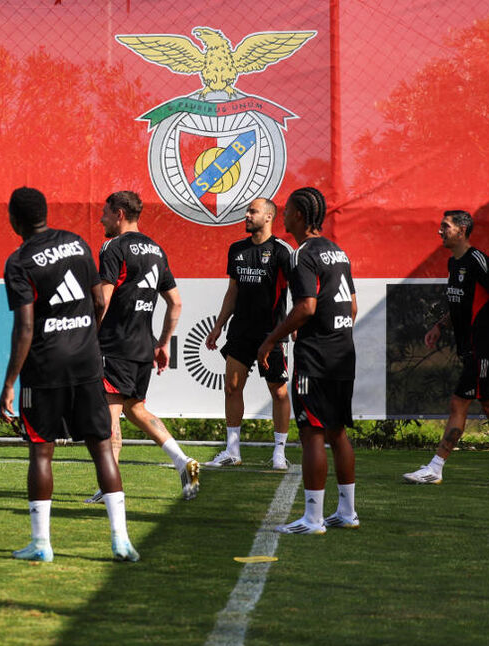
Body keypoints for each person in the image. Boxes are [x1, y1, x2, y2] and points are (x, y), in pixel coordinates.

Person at [0, 186, 139, 563]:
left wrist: (10, 382)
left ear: (15, 220)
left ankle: (42, 544)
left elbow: (25, 328)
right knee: (101, 447)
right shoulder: (77, 243)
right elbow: (98, 300)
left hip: (44, 369)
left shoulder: (19, 261)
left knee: (41, 452)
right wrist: (84, 340)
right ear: (45, 212)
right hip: (87, 363)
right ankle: (121, 540)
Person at [403, 210, 489, 485]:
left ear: (462, 230)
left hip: (483, 347)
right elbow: (460, 306)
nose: (440, 231)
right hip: (471, 348)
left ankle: (435, 467)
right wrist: (440, 325)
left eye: (445, 226)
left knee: (459, 402)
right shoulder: (455, 264)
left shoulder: (478, 261)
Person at [87, 190, 199, 503]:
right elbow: (175, 302)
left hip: (114, 344)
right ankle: (182, 460)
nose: (101, 219)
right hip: (141, 345)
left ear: (119, 214)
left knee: (109, 416)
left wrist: (87, 337)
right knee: (135, 409)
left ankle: (109, 487)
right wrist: (162, 343)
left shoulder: (113, 246)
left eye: (106, 213)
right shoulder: (156, 249)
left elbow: (103, 299)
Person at [258, 187, 358, 534]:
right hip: (343, 351)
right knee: (337, 431)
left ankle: (313, 518)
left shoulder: (302, 255)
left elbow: (307, 307)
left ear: (299, 215)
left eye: (286, 210)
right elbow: (352, 308)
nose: (282, 215)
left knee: (312, 431)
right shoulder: (338, 251)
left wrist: (272, 338)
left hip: (316, 357)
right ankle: (347, 513)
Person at [204, 197, 295, 469]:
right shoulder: (237, 249)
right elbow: (233, 292)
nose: (246, 215)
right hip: (240, 331)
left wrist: (295, 326)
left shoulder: (282, 251)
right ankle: (233, 451)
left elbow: (300, 291)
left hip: (272, 333)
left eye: (252, 211)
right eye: (247, 211)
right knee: (232, 387)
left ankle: (279, 452)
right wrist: (219, 325)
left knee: (278, 392)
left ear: (268, 217)